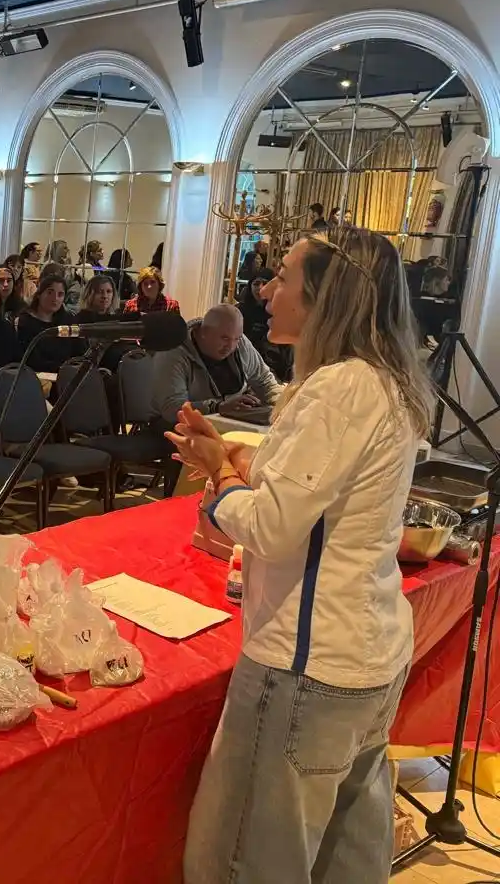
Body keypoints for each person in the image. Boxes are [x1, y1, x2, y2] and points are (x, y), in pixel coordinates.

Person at [172, 227, 430, 884]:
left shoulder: (338, 387)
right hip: (367, 662)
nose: (268, 290)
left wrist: (220, 485)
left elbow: (274, 526)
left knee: (242, 863)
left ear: (323, 299)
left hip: (303, 669)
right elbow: (316, 486)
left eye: (284, 277)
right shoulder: (385, 381)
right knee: (345, 856)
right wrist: (229, 453)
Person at [152, 304, 281, 424]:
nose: (231, 346)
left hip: (229, 424)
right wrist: (217, 407)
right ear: (203, 333)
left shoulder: (240, 342)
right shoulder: (173, 352)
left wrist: (283, 404)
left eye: (237, 339)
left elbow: (264, 381)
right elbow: (172, 408)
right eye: (224, 338)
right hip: (178, 429)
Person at [15, 272, 78, 373]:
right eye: (50, 292)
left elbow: (78, 351)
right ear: (39, 294)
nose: (55, 298)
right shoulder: (25, 321)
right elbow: (28, 358)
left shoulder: (69, 320)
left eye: (60, 294)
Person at [239, 268, 293, 381]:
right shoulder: (240, 310)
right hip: (245, 364)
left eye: (265, 283)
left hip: (273, 367)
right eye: (256, 283)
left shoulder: (279, 311)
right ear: (250, 286)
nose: (260, 288)